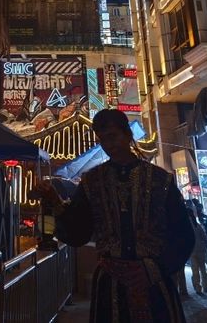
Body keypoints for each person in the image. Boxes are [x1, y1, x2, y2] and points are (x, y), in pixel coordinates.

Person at [33, 108, 194, 323]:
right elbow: (78, 233)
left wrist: (155, 269)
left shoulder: (160, 180)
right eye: (103, 140)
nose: (109, 145)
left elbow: (183, 234)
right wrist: (53, 200)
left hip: (155, 283)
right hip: (110, 284)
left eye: (113, 136)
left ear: (128, 135)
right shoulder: (92, 182)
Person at [187, 207, 207, 295]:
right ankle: (206, 286)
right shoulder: (197, 225)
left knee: (195, 270)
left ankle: (197, 287)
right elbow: (204, 237)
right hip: (201, 249)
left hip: (192, 250)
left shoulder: (186, 226)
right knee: (203, 268)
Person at [193, 200, 207, 268]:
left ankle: (200, 264)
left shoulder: (194, 217)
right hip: (206, 236)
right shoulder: (205, 217)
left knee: (198, 250)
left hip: (197, 237)